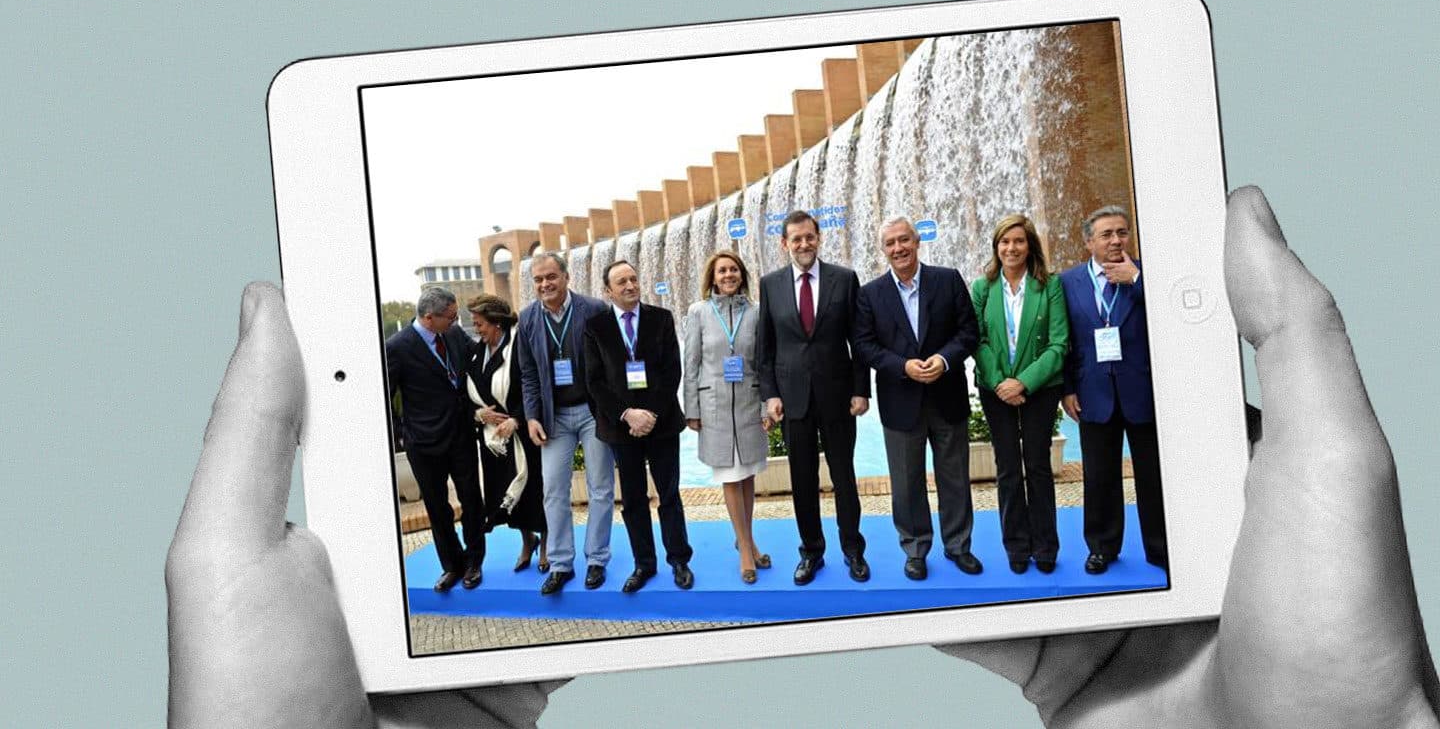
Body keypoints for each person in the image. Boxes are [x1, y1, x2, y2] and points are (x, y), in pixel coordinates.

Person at [169, 188, 1440, 727]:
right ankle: (631, 569)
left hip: (908, 399)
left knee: (821, 494)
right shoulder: (735, 303)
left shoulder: (929, 281)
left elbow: (926, 328)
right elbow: (763, 351)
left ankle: (871, 550)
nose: (727, 268)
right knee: (618, 497)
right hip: (735, 410)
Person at [854, 217, 981, 581]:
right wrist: (902, 366)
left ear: (917, 240)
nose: (899, 248)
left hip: (947, 395)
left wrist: (943, 360)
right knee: (906, 483)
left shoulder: (948, 279)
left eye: (904, 240)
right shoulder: (870, 294)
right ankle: (915, 549)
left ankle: (958, 546)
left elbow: (968, 331)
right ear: (884, 250)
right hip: (900, 400)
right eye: (891, 243)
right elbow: (864, 346)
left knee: (954, 477)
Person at [755, 209, 872, 585]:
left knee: (844, 478)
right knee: (802, 481)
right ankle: (811, 552)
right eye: (796, 239)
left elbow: (860, 340)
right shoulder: (770, 284)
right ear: (784, 243)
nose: (804, 244)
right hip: (793, 401)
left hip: (838, 397)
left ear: (818, 239)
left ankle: (853, 550)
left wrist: (861, 389)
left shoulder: (844, 279)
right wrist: (770, 396)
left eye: (809, 237)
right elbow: (765, 349)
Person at [1058, 204, 1167, 573]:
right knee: (1099, 476)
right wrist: (1067, 389)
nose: (1117, 240)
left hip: (1143, 390)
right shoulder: (1068, 282)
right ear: (1089, 242)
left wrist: (1137, 281)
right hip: (1094, 393)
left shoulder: (1147, 274)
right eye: (1107, 234)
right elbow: (1065, 340)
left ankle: (1160, 546)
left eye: (1122, 232)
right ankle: (1102, 547)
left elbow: (1169, 318)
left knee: (1152, 473)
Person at [582, 260, 695, 592]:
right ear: (608, 291)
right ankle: (644, 564)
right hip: (621, 427)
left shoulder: (661, 318)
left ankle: (679, 560)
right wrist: (628, 414)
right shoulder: (595, 326)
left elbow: (671, 371)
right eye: (621, 282)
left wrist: (649, 414)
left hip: (660, 422)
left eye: (633, 279)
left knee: (669, 494)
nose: (630, 285)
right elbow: (595, 381)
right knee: (632, 498)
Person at [970, 213, 1070, 574]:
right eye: (1004, 242)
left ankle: (1045, 546)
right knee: (1008, 468)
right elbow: (976, 338)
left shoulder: (1050, 286)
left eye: (1019, 241)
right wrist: (1000, 382)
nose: (1011, 248)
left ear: (1030, 246)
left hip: (1039, 390)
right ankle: (1016, 545)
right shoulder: (982, 288)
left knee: (1038, 466)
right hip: (995, 390)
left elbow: (1059, 344)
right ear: (996, 247)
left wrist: (1023, 382)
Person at [514, 252, 615, 595]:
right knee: (554, 491)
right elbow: (527, 374)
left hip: (592, 412)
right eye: (538, 279)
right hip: (553, 417)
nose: (545, 284)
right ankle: (561, 564)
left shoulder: (595, 310)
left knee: (601, 487)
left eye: (550, 277)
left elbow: (611, 363)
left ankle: (597, 559)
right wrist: (531, 416)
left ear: (566, 277)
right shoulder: (527, 319)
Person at [383, 287, 487, 592]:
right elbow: (386, 396)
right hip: (423, 442)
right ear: (430, 318)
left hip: (461, 433)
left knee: (471, 497)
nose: (456, 322)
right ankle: (452, 565)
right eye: (451, 317)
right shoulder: (397, 347)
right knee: (437, 505)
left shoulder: (454, 336)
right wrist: (402, 432)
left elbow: (479, 360)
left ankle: (474, 562)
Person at [683, 250, 771, 584]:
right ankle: (747, 551)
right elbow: (691, 363)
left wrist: (766, 407)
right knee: (731, 478)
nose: (728, 275)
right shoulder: (699, 312)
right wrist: (691, 409)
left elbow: (763, 362)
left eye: (733, 269)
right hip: (715, 407)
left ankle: (745, 539)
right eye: (722, 270)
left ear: (742, 274)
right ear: (713, 277)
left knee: (747, 475)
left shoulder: (756, 313)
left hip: (748, 403)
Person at [465, 293, 548, 574]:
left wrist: (518, 419)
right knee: (507, 493)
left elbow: (535, 385)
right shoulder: (475, 352)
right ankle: (527, 541)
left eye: (480, 324)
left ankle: (547, 544)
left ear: (497, 323)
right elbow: (467, 397)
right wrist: (480, 415)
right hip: (494, 439)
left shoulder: (519, 345)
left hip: (525, 433)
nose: (477, 330)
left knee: (535, 489)